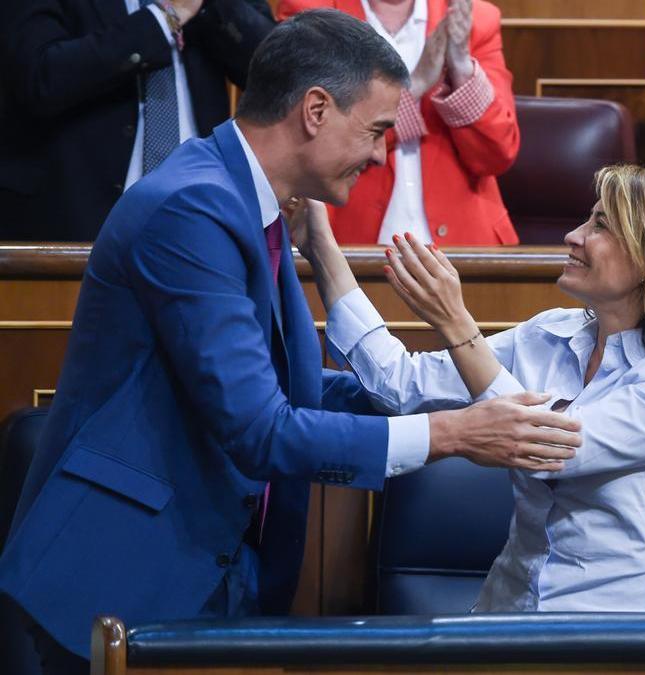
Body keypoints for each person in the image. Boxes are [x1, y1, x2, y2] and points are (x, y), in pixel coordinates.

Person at [0, 11, 579, 672]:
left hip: (201, 574)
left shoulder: (253, 200)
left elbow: (295, 386)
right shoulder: (194, 208)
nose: (382, 154)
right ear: (315, 110)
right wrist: (451, 434)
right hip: (117, 583)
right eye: (377, 130)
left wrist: (435, 402)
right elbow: (260, 426)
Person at [289, 164, 645, 611]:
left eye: (601, 225)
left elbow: (546, 450)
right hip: (510, 617)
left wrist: (455, 323)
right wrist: (320, 245)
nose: (573, 236)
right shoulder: (549, 334)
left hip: (622, 633)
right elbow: (398, 384)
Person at [0, 0, 277, 241]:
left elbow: (275, 74)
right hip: (74, 217)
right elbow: (41, 77)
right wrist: (163, 18)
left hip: (200, 218)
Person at [275, 0, 520, 246]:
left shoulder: (475, 18)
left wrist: (462, 69)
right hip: (350, 245)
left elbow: (498, 154)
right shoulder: (312, 12)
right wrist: (416, 86)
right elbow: (315, 139)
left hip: (467, 247)